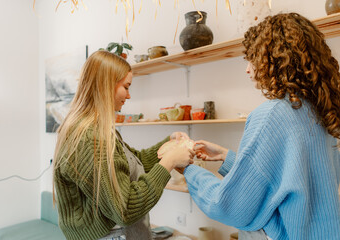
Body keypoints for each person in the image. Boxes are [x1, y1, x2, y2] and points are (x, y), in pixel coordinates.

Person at [183, 12, 340, 240]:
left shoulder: (272, 115)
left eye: (252, 58)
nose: (248, 69)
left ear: (275, 59)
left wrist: (188, 170)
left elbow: (231, 206)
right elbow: (288, 179)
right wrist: (226, 157)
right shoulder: (320, 111)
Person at [52, 50, 194, 240]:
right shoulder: (89, 137)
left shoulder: (99, 129)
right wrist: (169, 162)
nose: (128, 95)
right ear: (106, 86)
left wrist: (169, 142)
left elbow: (134, 160)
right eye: (126, 87)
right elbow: (125, 209)